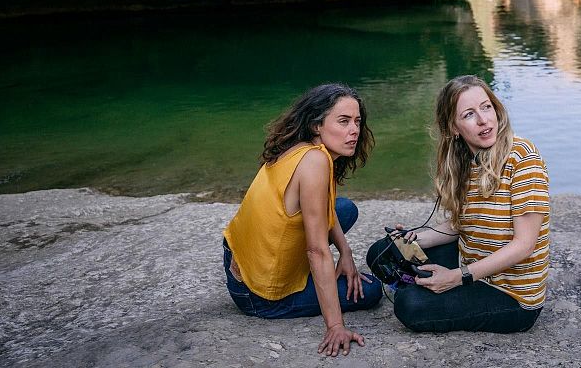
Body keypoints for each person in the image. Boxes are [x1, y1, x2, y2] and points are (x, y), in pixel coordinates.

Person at [368, 75, 549, 333]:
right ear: (454, 127)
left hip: (510, 294)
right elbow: (461, 224)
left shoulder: (523, 158)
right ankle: (422, 281)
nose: (484, 120)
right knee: (384, 251)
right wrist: (416, 237)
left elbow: (524, 245)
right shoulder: (464, 161)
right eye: (469, 114)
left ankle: (419, 285)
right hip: (469, 259)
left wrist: (457, 277)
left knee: (410, 306)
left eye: (487, 107)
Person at [223, 83, 382, 356]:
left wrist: (345, 252)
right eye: (343, 121)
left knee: (344, 209)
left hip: (238, 261)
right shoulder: (315, 162)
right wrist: (335, 326)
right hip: (258, 295)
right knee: (372, 290)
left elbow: (326, 207)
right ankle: (290, 292)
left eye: (357, 121)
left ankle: (306, 275)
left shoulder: (303, 148)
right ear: (316, 125)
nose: (354, 130)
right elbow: (316, 250)